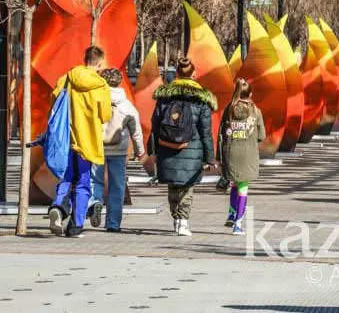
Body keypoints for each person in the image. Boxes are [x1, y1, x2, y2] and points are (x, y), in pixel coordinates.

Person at [48, 46, 112, 238]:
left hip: (65, 138)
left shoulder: (66, 78)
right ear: (100, 63)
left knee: (67, 177)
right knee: (84, 182)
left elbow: (53, 99)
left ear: (84, 58)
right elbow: (105, 114)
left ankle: (58, 207)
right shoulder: (100, 85)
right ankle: (75, 226)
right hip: (87, 140)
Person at [150, 57, 217, 237]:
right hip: (192, 150)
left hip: (166, 148)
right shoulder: (201, 99)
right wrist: (210, 158)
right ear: (194, 75)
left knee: (173, 186)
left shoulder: (164, 97)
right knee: (187, 187)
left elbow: (155, 124)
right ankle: (183, 222)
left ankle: (176, 219)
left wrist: (153, 151)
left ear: (177, 74)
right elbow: (205, 132)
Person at [87, 68, 146, 232]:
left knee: (94, 180)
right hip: (119, 150)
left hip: (97, 148)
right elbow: (136, 131)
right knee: (117, 186)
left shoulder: (95, 100)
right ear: (119, 82)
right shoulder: (127, 105)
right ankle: (113, 223)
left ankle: (95, 202)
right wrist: (140, 151)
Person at [218, 79, 266, 235]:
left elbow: (221, 132)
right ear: (250, 94)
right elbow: (262, 135)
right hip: (248, 154)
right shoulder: (255, 111)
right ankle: (238, 224)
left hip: (230, 152)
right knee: (243, 188)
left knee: (234, 183)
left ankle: (231, 213)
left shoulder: (229, 109)